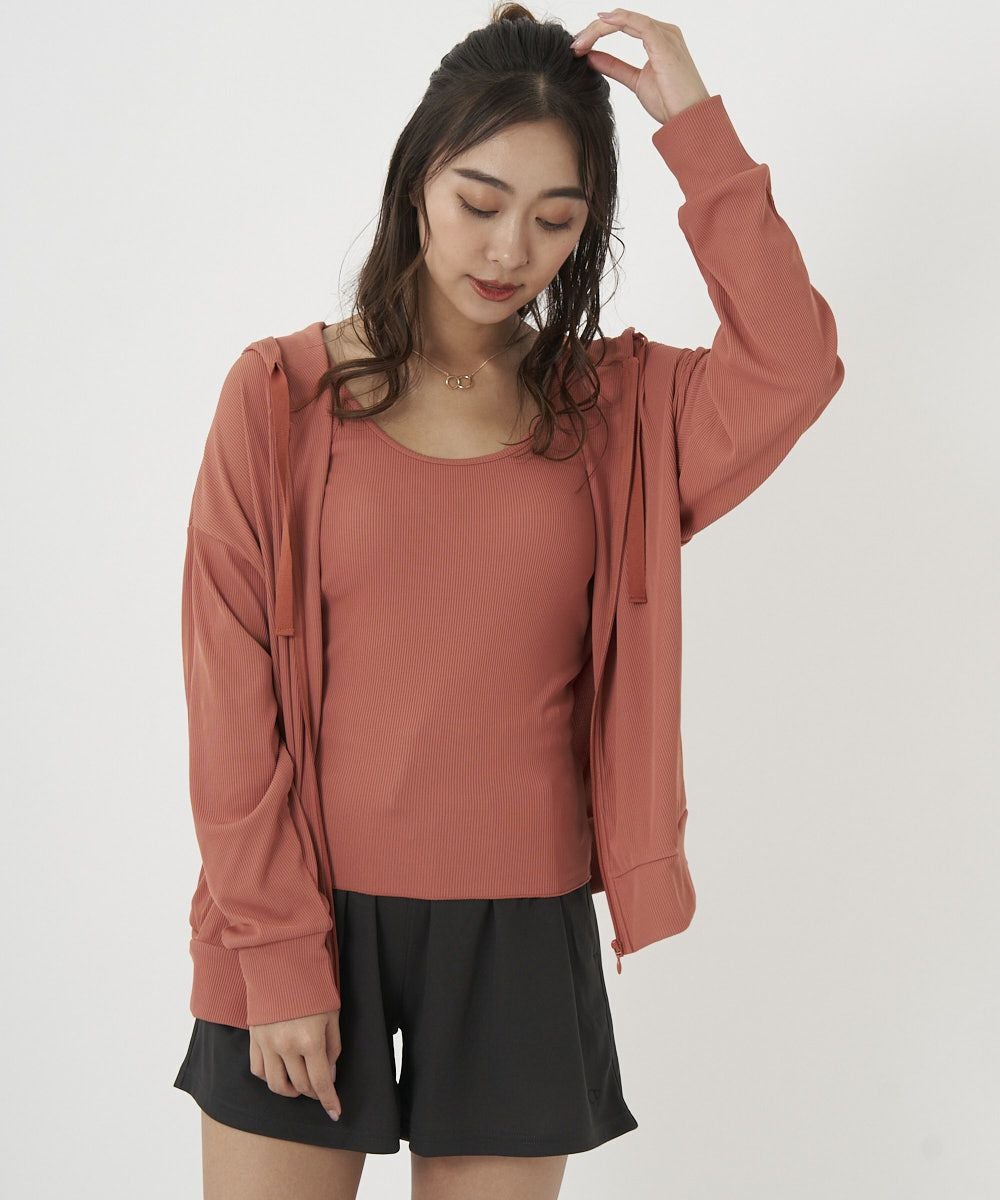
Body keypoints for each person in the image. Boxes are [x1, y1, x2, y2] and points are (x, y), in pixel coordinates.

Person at [172, 5, 845, 1198]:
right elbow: (230, 697)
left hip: (520, 927)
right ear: (417, 182)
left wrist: (694, 127)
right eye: (479, 201)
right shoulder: (279, 397)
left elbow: (791, 365)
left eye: (554, 218)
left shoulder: (621, 411)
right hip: (299, 914)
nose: (507, 248)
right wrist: (275, 953)